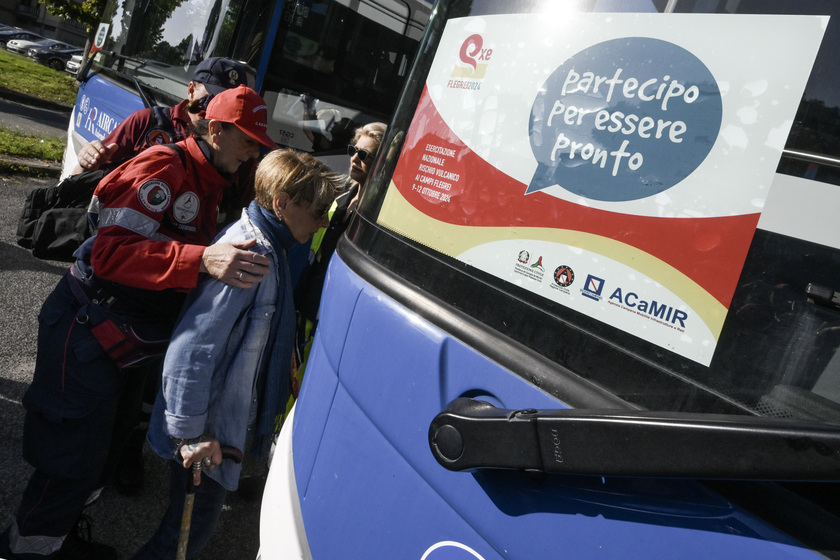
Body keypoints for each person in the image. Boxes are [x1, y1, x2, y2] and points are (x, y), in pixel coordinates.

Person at [0, 85, 276, 560]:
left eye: (258, 142)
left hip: (122, 342)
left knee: (102, 456)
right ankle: (23, 550)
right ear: (215, 129)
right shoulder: (163, 168)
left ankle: (56, 541)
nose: (254, 151)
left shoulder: (210, 178)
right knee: (70, 462)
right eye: (247, 139)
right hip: (86, 330)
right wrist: (202, 259)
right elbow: (109, 253)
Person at [133, 149, 342, 559]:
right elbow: (190, 351)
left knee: (185, 535)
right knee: (181, 541)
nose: (321, 221)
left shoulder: (271, 246)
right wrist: (190, 436)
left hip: (215, 432)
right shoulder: (252, 256)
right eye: (316, 210)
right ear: (281, 203)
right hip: (207, 437)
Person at [75, 57, 255, 497]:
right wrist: (199, 259)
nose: (215, 108)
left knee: (132, 404)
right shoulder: (153, 134)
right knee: (80, 432)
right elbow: (110, 242)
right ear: (195, 93)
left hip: (154, 310)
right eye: (212, 101)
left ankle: (119, 461)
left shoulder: (225, 161)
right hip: (110, 308)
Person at [293, 121, 387, 364]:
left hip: (334, 317)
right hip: (306, 305)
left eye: (365, 155)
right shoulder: (341, 199)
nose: (355, 158)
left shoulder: (378, 217)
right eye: (353, 150)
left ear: (383, 162)